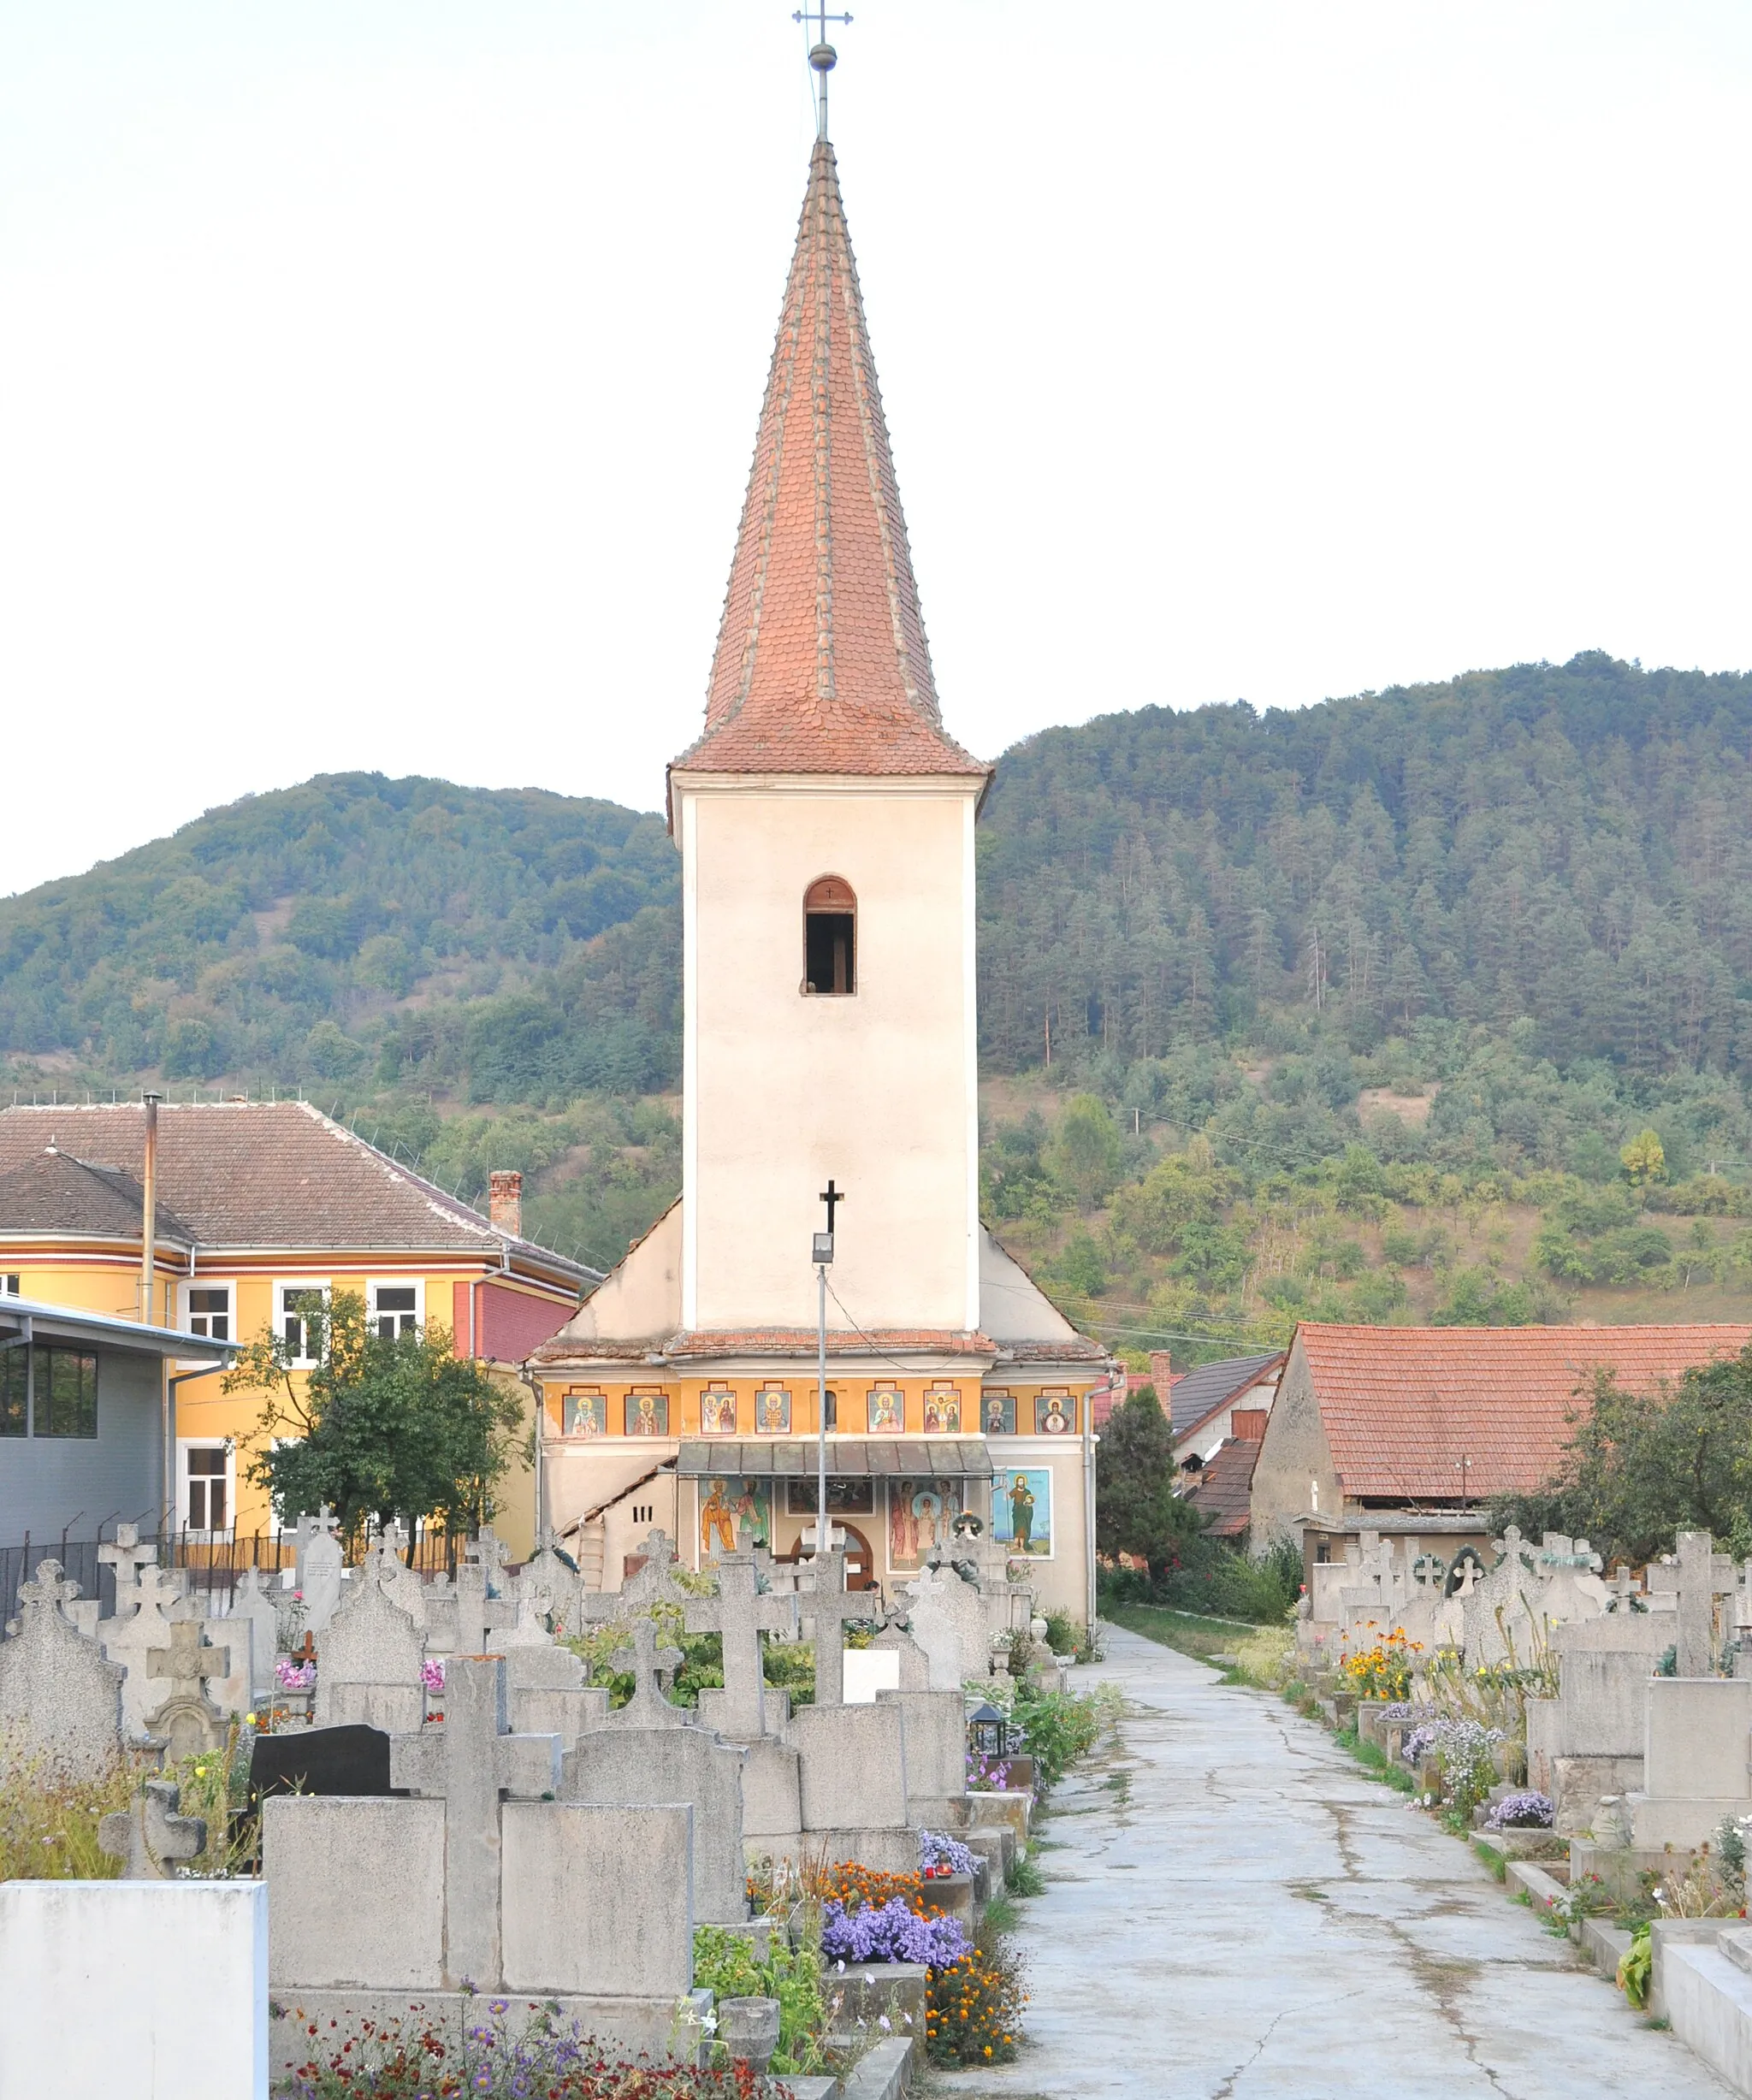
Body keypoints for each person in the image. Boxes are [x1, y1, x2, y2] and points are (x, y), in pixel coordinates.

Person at [701, 1479, 736, 1555]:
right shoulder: (712, 1498)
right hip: (716, 1523)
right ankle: (716, 1558)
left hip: (726, 1521)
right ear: (715, 1487)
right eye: (718, 1486)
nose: (720, 1488)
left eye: (721, 1486)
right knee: (716, 1541)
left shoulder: (726, 1498)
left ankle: (730, 1557)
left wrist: (729, 1506)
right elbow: (706, 1510)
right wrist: (710, 1508)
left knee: (728, 1538)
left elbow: (734, 1510)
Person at [1008, 1472, 1036, 1552]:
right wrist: (1006, 1490)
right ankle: (1016, 1545)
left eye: (1022, 1481)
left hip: (1024, 1513)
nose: (1021, 1483)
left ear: (1024, 1482)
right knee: (1016, 1529)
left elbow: (1031, 1501)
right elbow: (1007, 1497)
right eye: (1020, 1481)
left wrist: (1027, 1503)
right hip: (1017, 1512)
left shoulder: (1027, 1491)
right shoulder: (1015, 1491)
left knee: (1023, 1530)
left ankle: (1022, 1546)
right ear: (1017, 1482)